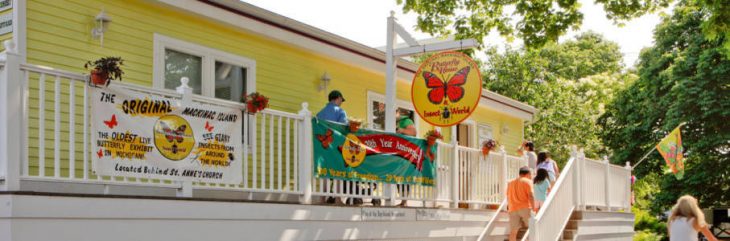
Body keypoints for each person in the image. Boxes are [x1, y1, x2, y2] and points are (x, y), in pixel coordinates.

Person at [316, 90, 350, 205]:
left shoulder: (320, 113)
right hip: (336, 144)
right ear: (338, 98)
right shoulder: (340, 111)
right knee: (338, 170)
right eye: (341, 100)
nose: (341, 102)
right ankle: (338, 198)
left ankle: (322, 198)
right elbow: (343, 127)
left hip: (322, 145)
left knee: (324, 170)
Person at [507, 166, 535, 241]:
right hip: (525, 207)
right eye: (531, 174)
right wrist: (534, 208)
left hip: (512, 209)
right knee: (532, 228)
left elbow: (507, 195)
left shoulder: (510, 182)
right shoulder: (528, 181)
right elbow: (531, 195)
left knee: (513, 232)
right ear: (528, 174)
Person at [395, 110, 416, 207]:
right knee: (398, 177)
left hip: (406, 153)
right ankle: (403, 201)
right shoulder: (394, 121)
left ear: (398, 112)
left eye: (394, 112)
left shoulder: (406, 120)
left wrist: (402, 130)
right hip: (397, 153)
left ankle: (404, 201)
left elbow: (413, 132)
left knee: (405, 176)